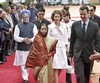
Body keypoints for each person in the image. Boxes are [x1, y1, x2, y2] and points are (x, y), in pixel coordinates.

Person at [68, 5, 100, 83]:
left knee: (86, 77)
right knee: (80, 76)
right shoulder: (75, 25)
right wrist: (70, 54)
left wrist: (97, 51)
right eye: (81, 14)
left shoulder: (94, 26)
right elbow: (72, 40)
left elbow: (98, 41)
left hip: (89, 55)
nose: (82, 16)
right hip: (78, 54)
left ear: (88, 13)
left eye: (84, 14)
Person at [48, 10, 74, 83]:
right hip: (54, 49)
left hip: (62, 49)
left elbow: (65, 38)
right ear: (53, 17)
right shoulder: (50, 27)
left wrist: (67, 50)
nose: (57, 18)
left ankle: (53, 81)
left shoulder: (64, 26)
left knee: (61, 66)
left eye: (58, 16)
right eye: (55, 16)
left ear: (60, 17)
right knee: (55, 67)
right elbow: (48, 39)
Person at [13, 10, 38, 83]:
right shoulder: (18, 26)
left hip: (31, 47)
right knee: (23, 63)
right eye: (24, 17)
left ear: (29, 17)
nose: (25, 18)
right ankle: (25, 78)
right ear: (22, 17)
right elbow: (15, 37)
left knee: (29, 63)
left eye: (27, 17)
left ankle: (28, 75)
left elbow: (36, 36)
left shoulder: (33, 25)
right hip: (21, 48)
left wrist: (30, 40)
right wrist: (23, 39)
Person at [89, 4, 100, 74]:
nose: (90, 12)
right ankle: (90, 69)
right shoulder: (87, 19)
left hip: (96, 39)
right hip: (89, 39)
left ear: (94, 10)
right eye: (89, 10)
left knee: (97, 54)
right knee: (90, 54)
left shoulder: (98, 19)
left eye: (91, 10)